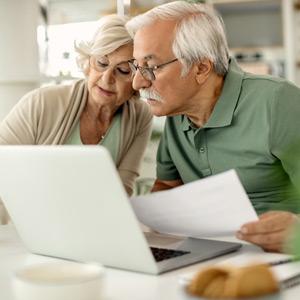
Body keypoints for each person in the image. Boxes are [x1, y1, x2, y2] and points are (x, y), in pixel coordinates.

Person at [126, 1, 300, 252]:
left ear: (201, 68)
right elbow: (167, 187)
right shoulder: (176, 112)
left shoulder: (277, 102)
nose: (137, 82)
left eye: (151, 67)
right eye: (136, 66)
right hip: (210, 254)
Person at [0, 14, 152, 197]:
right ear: (88, 63)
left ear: (139, 77)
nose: (106, 78)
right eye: (101, 63)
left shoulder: (140, 116)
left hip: (93, 219)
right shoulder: (40, 103)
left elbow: (122, 189)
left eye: (123, 70)